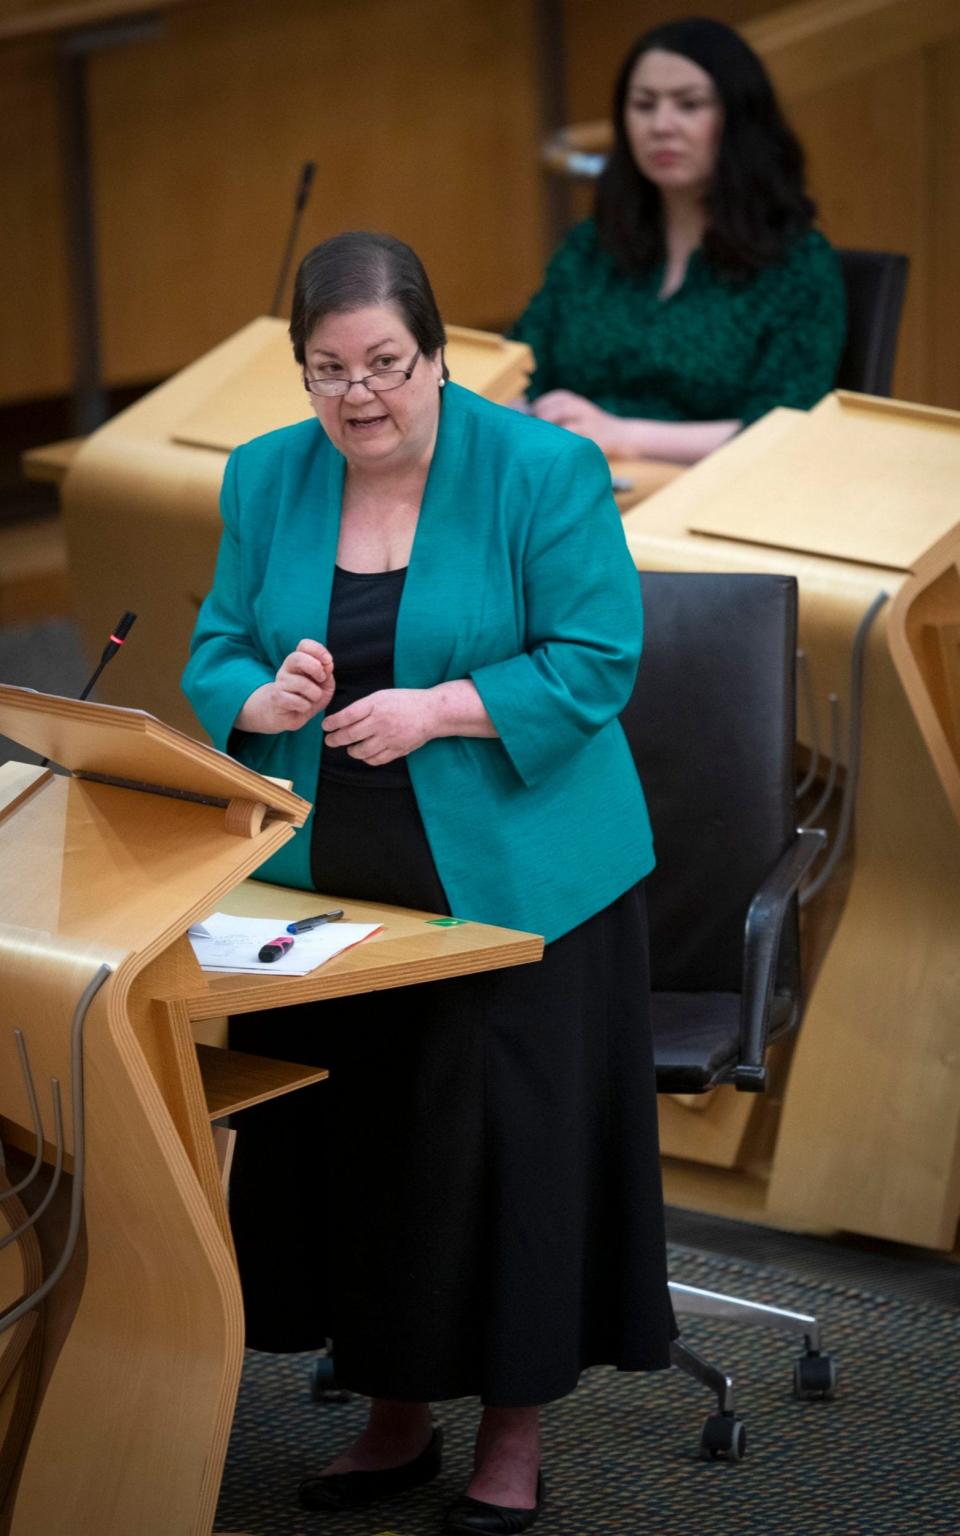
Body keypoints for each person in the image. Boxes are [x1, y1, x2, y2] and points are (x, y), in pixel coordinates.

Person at [182, 230, 674, 1534]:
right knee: (360, 1156)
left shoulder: (543, 470)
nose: (360, 396)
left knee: (506, 1165)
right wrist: (256, 693)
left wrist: (443, 708)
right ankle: (392, 1417)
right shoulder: (264, 479)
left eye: (387, 365)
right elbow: (216, 644)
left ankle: (511, 1441)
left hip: (519, 891)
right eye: (327, 370)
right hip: (323, 890)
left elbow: (596, 658)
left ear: (440, 354)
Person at [513, 16, 846, 464]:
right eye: (644, 105)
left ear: (739, 119)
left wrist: (624, 434)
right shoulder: (593, 244)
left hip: (717, 494)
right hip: (574, 480)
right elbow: (520, 367)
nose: (661, 125)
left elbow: (788, 426)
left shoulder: (798, 264)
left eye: (689, 105)